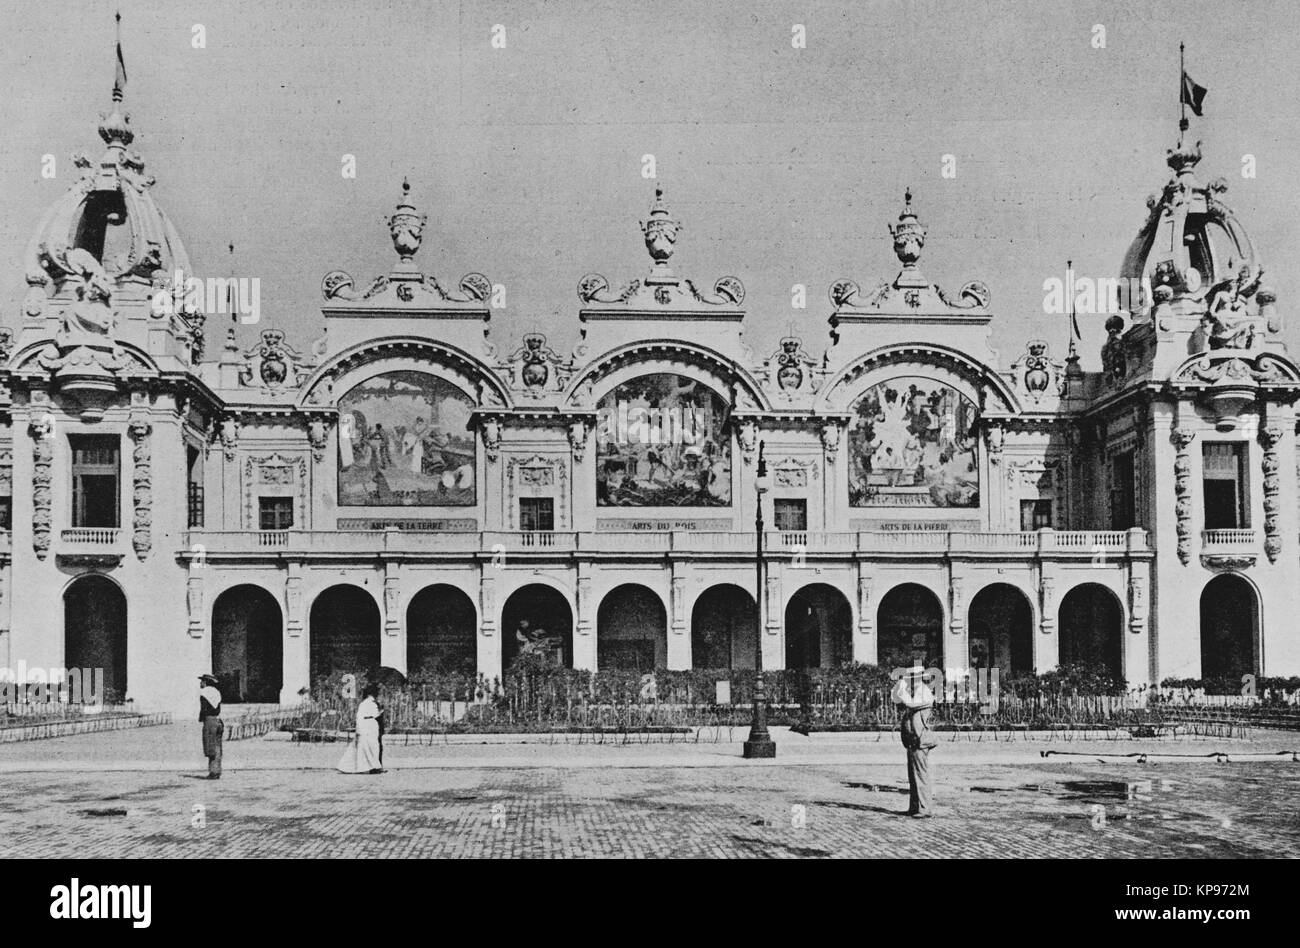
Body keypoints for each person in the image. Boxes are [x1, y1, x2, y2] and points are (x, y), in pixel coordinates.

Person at [891, 666, 938, 817]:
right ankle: (914, 807)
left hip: (921, 740)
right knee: (913, 776)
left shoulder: (924, 692)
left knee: (920, 775)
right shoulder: (917, 691)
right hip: (913, 740)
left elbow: (910, 704)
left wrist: (901, 690)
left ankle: (925, 809)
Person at [337, 683, 384, 774]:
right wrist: (381, 711)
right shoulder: (371, 703)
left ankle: (371, 766)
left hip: (366, 726)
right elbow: (375, 714)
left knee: (367, 747)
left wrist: (358, 728)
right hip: (369, 726)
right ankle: (373, 766)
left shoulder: (364, 703)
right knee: (371, 747)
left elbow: (359, 717)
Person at [198, 674, 223, 780]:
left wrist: (201, 718)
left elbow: (204, 709)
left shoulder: (205, 693)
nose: (200, 683)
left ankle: (212, 772)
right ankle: (217, 771)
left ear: (206, 682)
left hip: (209, 721)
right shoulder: (216, 692)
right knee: (217, 747)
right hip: (218, 720)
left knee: (210, 746)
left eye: (202, 681)